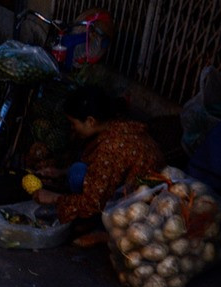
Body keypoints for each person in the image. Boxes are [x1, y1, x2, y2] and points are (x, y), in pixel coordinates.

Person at [31, 86, 165, 233]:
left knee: (77, 173)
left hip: (138, 208)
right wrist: (61, 172)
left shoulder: (111, 148)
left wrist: (53, 198)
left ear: (90, 121)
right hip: (142, 189)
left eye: (73, 123)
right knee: (75, 169)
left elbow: (92, 202)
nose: (72, 129)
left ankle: (97, 227)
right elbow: (100, 168)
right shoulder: (118, 126)